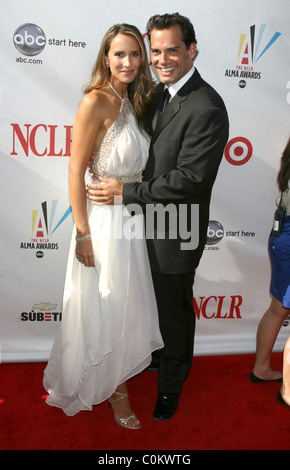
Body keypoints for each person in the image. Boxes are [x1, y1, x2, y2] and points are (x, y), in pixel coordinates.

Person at [87, 13, 229, 420]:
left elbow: (190, 179)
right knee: (146, 304)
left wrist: (124, 191)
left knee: (173, 310)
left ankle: (170, 386)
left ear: (191, 50)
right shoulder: (156, 95)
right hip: (137, 226)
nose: (162, 59)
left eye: (172, 50)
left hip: (175, 231)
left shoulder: (206, 106)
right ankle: (154, 358)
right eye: (156, 51)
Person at [43, 23, 163, 429]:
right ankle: (116, 393)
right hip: (102, 225)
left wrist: (128, 190)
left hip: (130, 220)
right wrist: (82, 233)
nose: (128, 62)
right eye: (119, 54)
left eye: (134, 54)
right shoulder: (94, 101)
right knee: (106, 304)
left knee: (126, 305)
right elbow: (75, 172)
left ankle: (118, 375)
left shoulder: (137, 100)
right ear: (105, 58)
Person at [251, 138, 290, 383]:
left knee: (279, 308)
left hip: (283, 234)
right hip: (285, 236)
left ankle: (262, 369)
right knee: (279, 308)